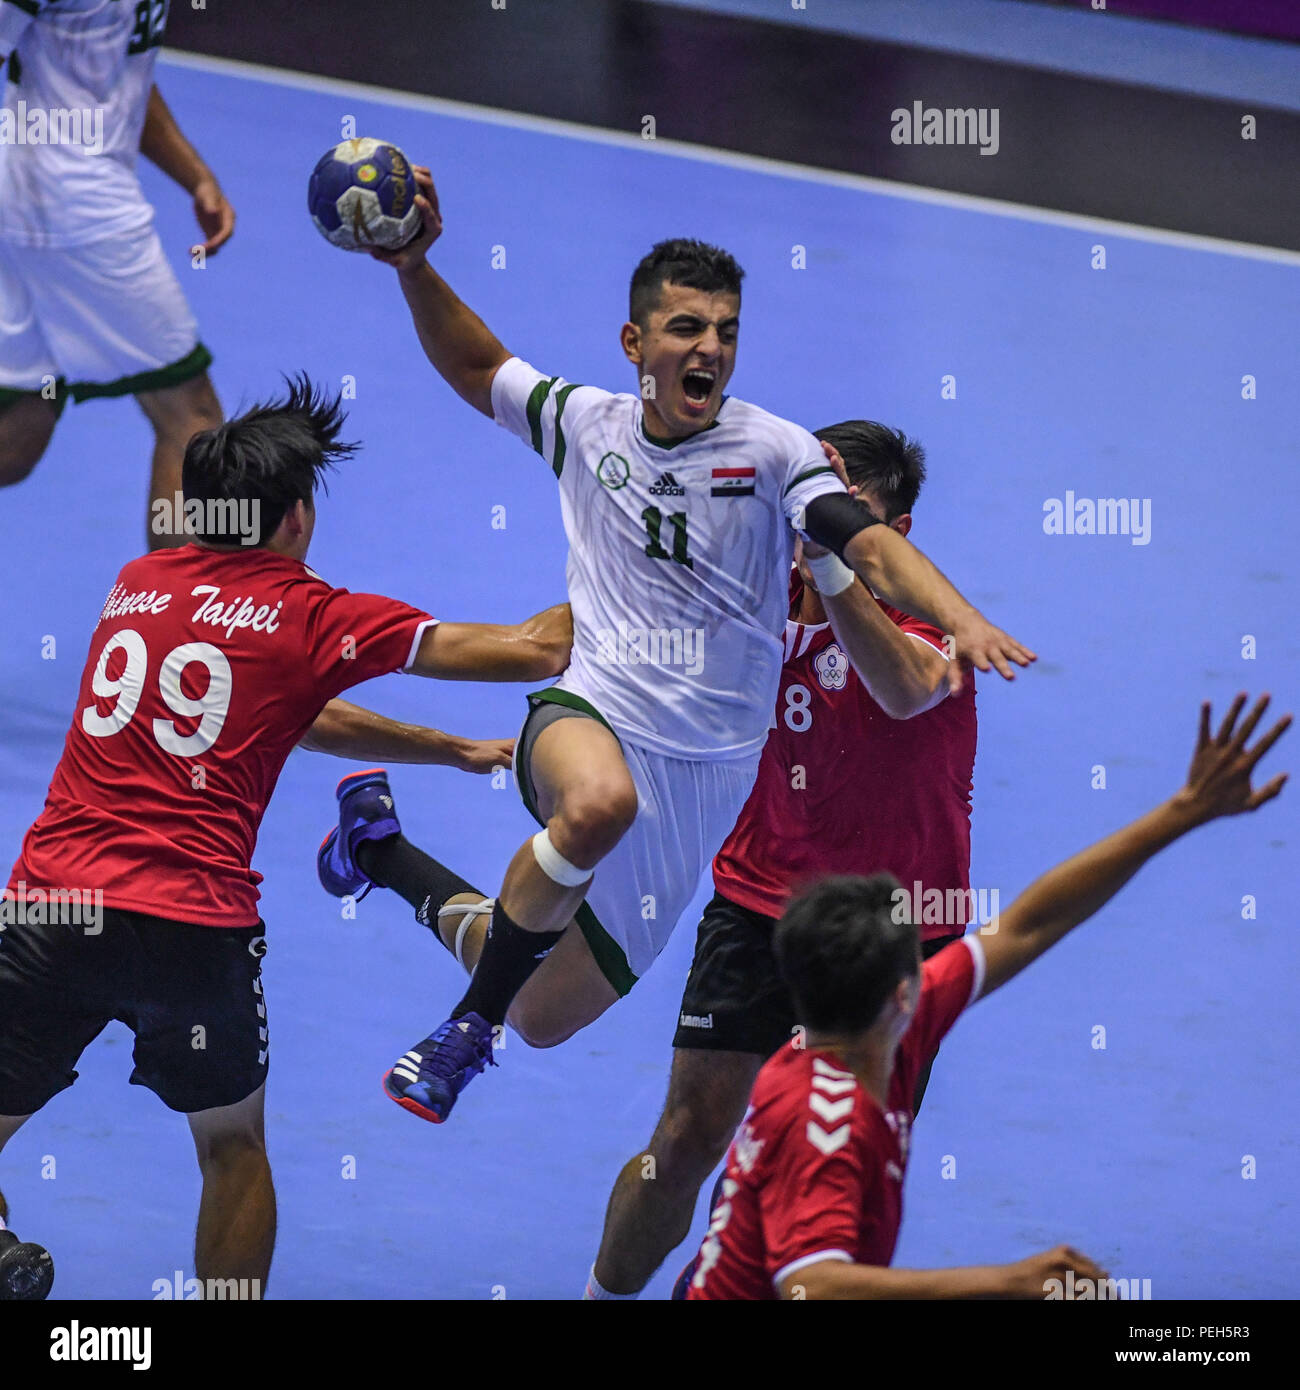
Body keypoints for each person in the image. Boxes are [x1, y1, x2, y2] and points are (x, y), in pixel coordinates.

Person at [333, 168, 1035, 1125]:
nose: (710, 348)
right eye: (687, 328)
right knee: (593, 806)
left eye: (727, 332)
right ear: (637, 343)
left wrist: (962, 617)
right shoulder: (585, 424)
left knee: (541, 1013)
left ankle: (381, 854)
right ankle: (464, 1029)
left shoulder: (777, 453)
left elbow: (863, 543)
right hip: (596, 714)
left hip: (703, 786)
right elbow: (474, 366)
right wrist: (413, 264)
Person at [0, 377, 570, 1298]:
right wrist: (641, 577)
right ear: (297, 518)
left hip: (52, 907)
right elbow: (536, 648)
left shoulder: (138, 584)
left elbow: (276, 711)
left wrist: (447, 752)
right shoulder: (313, 617)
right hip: (193, 928)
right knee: (231, 1148)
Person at [682, 694, 1289, 1300]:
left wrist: (1183, 812)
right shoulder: (827, 1119)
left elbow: (1030, 923)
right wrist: (1009, 1283)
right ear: (902, 993)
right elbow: (812, 1287)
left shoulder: (868, 1034)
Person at [586, 419, 978, 1300]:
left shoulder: (932, 628)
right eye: (809, 517)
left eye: (843, 521)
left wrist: (834, 567)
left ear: (894, 535)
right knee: (683, 1141)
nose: (812, 541)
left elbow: (903, 685)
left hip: (895, 938)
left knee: (824, 1161)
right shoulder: (744, 610)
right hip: (758, 904)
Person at [0, 0, 233, 546]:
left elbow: (113, 73)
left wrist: (193, 173)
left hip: (27, 205)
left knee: (17, 436)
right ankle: (173, 622)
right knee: (191, 417)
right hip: (76, 215)